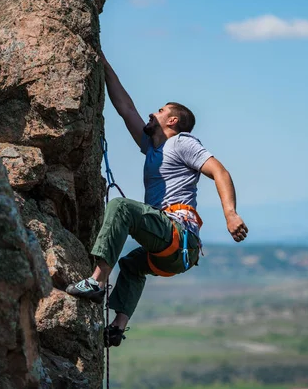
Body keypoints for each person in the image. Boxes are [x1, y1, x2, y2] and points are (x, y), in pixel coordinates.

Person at [66, 52, 248, 348]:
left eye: (160, 110)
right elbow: (125, 107)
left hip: (177, 232)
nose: (153, 113)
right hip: (174, 250)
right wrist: (102, 63)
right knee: (132, 265)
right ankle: (117, 327)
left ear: (172, 120)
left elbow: (220, 171)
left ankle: (96, 282)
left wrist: (230, 213)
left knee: (121, 207)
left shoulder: (182, 143)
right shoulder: (152, 147)